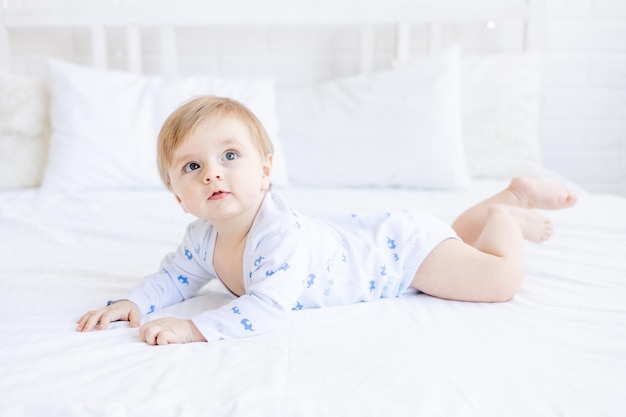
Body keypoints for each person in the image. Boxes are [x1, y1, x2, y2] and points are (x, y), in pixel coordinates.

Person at [76, 96, 578, 345]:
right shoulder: (202, 237)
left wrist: (194, 329)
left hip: (399, 259)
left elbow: (268, 309)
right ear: (178, 197)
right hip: (396, 235)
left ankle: (510, 219)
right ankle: (508, 195)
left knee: (497, 279)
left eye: (230, 155)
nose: (212, 174)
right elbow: (174, 278)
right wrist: (133, 303)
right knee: (455, 244)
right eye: (192, 167)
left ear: (266, 170)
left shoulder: (276, 236)